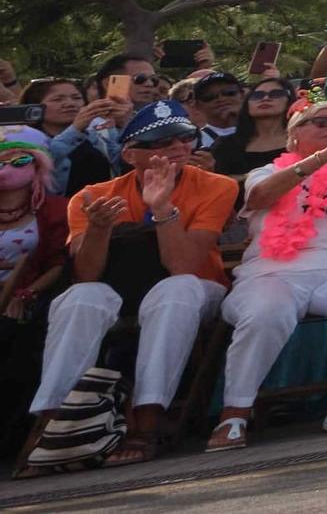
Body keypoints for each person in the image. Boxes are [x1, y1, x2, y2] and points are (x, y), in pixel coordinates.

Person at [31, 101, 237, 467]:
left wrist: (161, 208)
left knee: (176, 291)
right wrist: (97, 230)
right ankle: (53, 422)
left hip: (195, 289)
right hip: (119, 288)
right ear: (129, 154)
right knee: (80, 298)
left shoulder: (216, 186)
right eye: (160, 142)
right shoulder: (91, 195)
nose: (177, 147)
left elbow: (183, 266)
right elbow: (86, 274)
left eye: (184, 137)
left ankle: (148, 419)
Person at [209, 91, 327, 450]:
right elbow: (259, 198)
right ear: (294, 133)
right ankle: (234, 415)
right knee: (265, 312)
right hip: (272, 273)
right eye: (321, 122)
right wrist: (324, 156)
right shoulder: (264, 171)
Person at [0, 127, 67, 321]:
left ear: (39, 165)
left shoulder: (57, 209)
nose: (6, 169)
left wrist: (26, 293)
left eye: (20, 161)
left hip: (26, 305)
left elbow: (59, 263)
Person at [23, 78, 113, 194]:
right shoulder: (24, 140)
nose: (70, 104)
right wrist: (75, 130)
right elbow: (43, 163)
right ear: (35, 108)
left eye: (76, 98)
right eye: (57, 99)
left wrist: (122, 123)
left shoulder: (100, 133)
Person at [211, 76, 294, 179]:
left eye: (276, 94)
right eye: (257, 96)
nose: (265, 98)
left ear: (289, 101)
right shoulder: (225, 145)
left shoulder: (303, 140)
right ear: (247, 104)